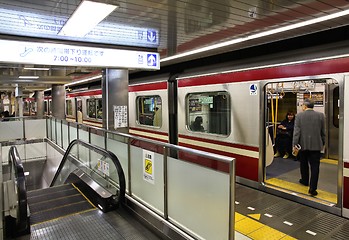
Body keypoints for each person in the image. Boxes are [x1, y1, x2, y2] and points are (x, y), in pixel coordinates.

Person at [292, 98, 325, 196]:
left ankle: (305, 180)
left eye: (302, 105)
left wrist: (294, 145)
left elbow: (296, 132)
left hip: (303, 145)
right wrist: (322, 143)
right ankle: (312, 188)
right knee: (315, 167)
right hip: (316, 145)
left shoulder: (299, 116)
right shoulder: (321, 116)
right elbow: (323, 132)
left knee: (303, 163)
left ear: (305, 106)